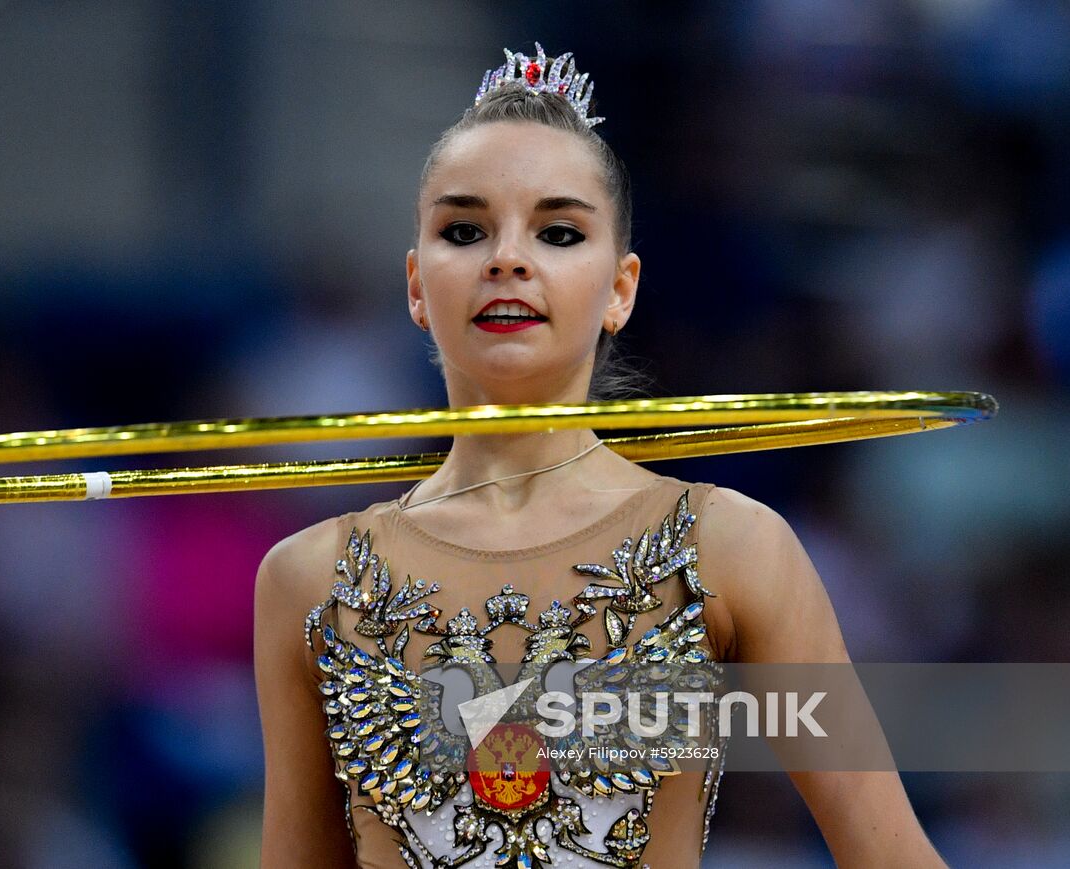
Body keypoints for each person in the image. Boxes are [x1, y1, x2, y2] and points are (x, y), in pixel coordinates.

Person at [254, 43, 946, 868]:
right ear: (415, 283)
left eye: (557, 231)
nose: (506, 259)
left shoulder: (727, 547)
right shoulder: (311, 577)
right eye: (465, 229)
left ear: (621, 287)